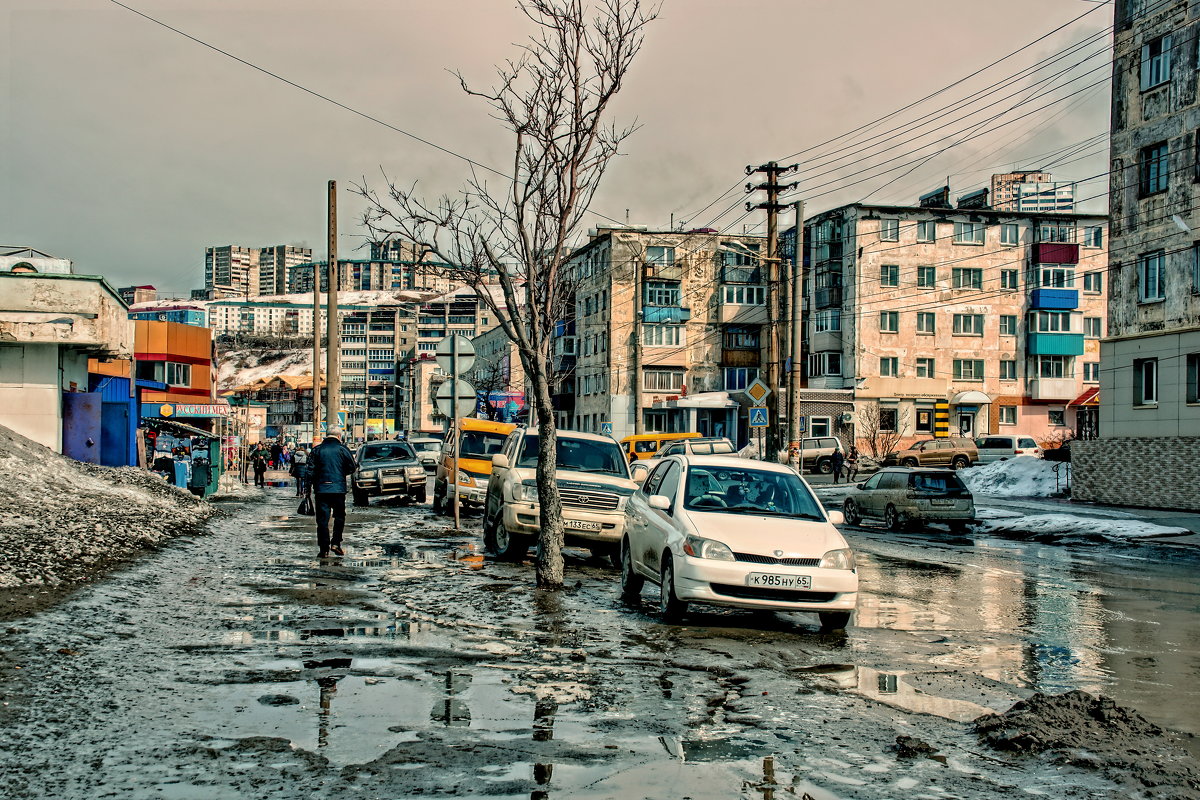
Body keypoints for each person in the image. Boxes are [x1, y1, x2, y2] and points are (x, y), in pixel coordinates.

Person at [306, 427, 358, 558]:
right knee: (339, 516)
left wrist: (307, 489)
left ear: (326, 436)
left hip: (321, 489)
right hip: (338, 489)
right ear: (339, 436)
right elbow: (352, 467)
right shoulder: (343, 449)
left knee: (322, 520)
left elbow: (310, 471)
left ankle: (324, 549)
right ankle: (336, 543)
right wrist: (341, 474)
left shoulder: (317, 450)